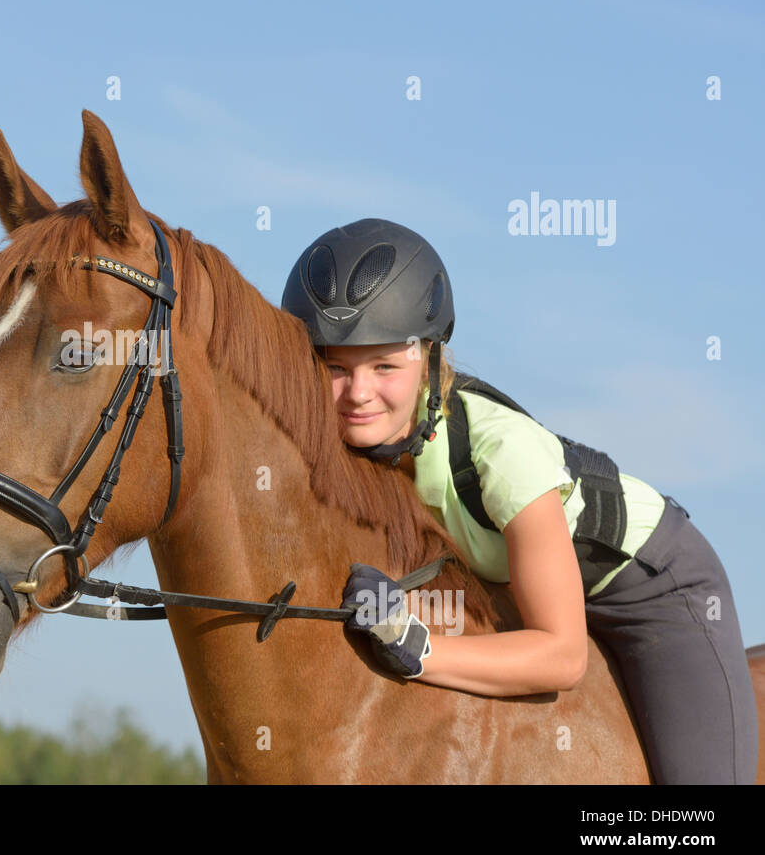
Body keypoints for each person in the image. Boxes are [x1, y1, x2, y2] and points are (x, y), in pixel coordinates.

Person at [280, 218, 759, 785]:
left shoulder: (501, 451)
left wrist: (416, 644)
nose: (358, 394)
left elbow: (562, 656)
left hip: (656, 587)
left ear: (430, 358)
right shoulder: (352, 442)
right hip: (511, 582)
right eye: (335, 367)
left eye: (385, 365)